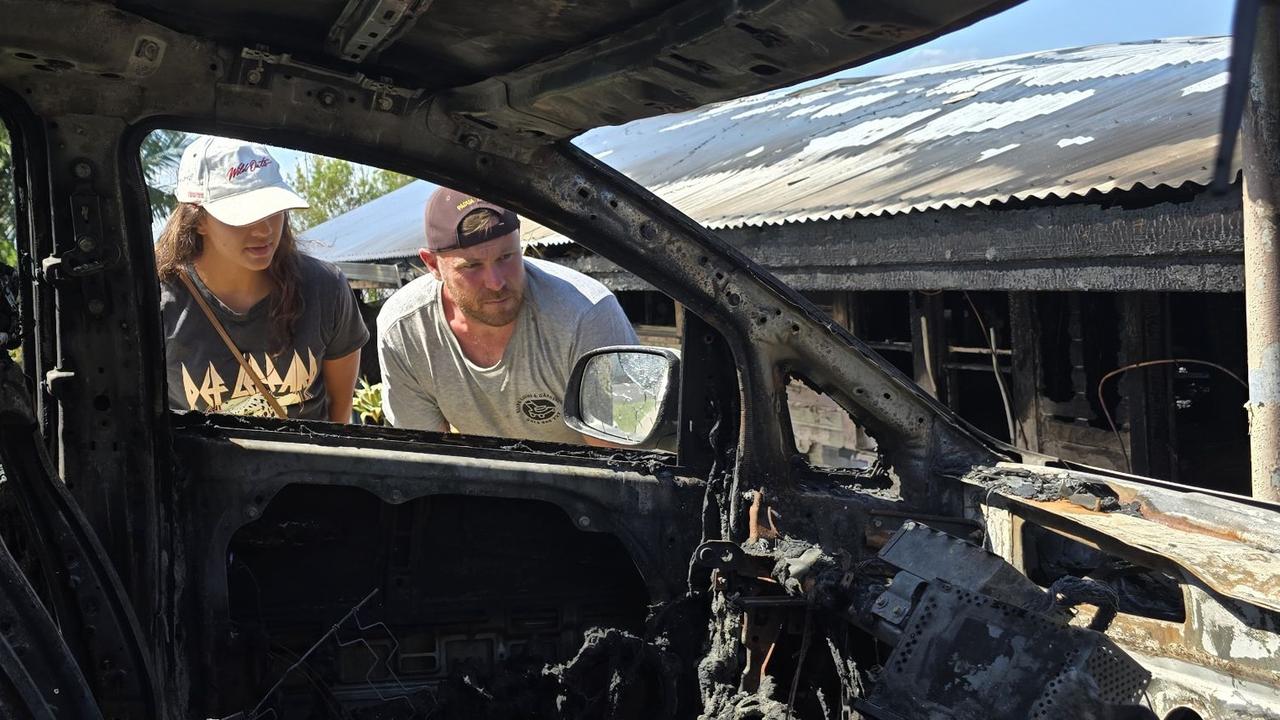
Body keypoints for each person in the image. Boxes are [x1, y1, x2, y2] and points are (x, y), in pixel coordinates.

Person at [377, 187, 639, 443]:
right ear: (433, 264)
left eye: (506, 256)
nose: (495, 282)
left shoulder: (585, 315)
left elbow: (616, 464)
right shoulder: (405, 331)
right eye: (472, 266)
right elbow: (429, 456)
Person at [156, 135, 368, 421]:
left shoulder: (326, 287)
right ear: (198, 218)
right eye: (243, 214)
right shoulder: (157, 302)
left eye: (273, 209)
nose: (265, 229)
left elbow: (340, 411)